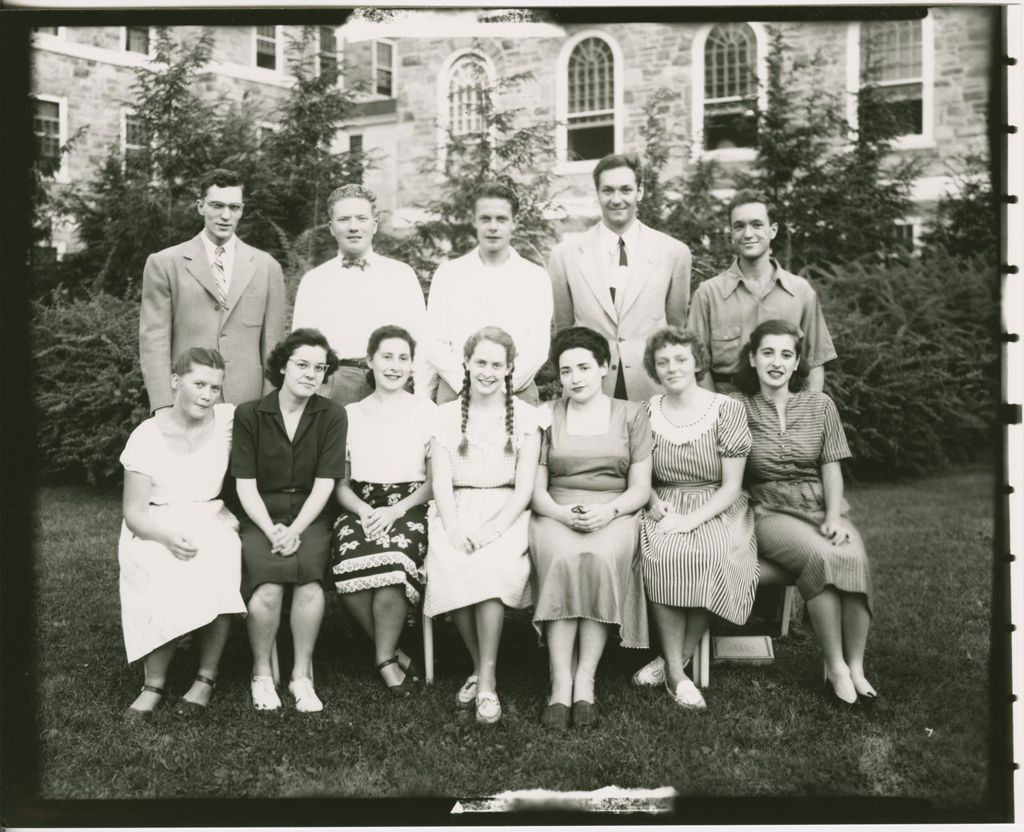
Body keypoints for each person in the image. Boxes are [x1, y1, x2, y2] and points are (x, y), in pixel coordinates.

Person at [734, 319, 877, 709]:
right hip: (769, 511)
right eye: (767, 353)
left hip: (819, 506)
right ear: (753, 358)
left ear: (797, 363)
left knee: (852, 554)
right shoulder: (737, 408)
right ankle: (835, 667)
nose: (776, 362)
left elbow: (831, 466)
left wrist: (832, 515)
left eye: (786, 354)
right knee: (822, 556)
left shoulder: (820, 404)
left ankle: (857, 666)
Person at [529, 326, 653, 730]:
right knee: (565, 555)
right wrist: (563, 516)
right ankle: (559, 681)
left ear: (604, 367)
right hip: (556, 510)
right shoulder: (547, 415)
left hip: (615, 510)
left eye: (584, 367)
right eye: (566, 371)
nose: (575, 378)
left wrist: (610, 512)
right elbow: (537, 490)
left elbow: (640, 488)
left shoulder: (633, 414)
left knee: (599, 555)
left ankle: (586, 680)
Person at [633, 327, 758, 710]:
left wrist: (691, 521)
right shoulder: (646, 412)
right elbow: (640, 474)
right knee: (664, 553)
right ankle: (677, 671)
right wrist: (652, 501)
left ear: (697, 362)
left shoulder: (726, 409)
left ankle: (672, 664)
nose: (672, 368)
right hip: (665, 499)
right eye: (663, 362)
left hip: (718, 502)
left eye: (681, 359)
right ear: (654, 370)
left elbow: (731, 486)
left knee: (714, 553)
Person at [118, 347, 245, 718]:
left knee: (222, 556)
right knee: (161, 566)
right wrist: (167, 538)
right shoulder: (145, 436)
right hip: (156, 523)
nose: (207, 395)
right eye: (199, 384)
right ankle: (153, 683)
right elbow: (134, 513)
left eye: (215, 388)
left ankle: (206, 677)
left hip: (210, 515)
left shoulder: (226, 421)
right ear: (175, 381)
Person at [423, 326, 541, 724]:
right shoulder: (442, 416)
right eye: (480, 363)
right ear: (467, 365)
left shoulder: (526, 417)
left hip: (507, 509)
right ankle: (479, 666)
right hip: (455, 506)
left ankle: (486, 680)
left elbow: (524, 487)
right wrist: (454, 528)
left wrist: (493, 529)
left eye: (497, 364)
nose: (487, 371)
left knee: (491, 566)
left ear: (510, 369)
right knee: (453, 560)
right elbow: (440, 480)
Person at [231, 328, 347, 712]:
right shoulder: (250, 414)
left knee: (310, 584)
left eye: (319, 367)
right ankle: (262, 673)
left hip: (311, 515)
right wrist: (271, 530)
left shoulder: (332, 415)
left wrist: (296, 530)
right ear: (282, 366)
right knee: (268, 588)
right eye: (302, 364)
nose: (311, 374)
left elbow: (326, 482)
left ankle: (301, 675)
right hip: (262, 514)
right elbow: (245, 486)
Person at [330, 325, 437, 696]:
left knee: (391, 565)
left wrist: (395, 511)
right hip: (360, 503)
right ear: (370, 361)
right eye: (386, 357)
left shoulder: (426, 411)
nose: (395, 366)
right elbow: (339, 485)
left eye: (403, 358)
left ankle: (384, 660)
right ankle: (392, 650)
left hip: (411, 503)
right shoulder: (349, 414)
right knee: (348, 569)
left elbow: (434, 482)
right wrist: (363, 510)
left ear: (411, 365)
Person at [548, 153, 691, 402]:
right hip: (590, 389)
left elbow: (675, 327)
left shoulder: (673, 252)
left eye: (626, 190)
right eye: (608, 190)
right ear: (598, 193)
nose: (617, 200)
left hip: (652, 387)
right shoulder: (565, 255)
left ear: (640, 191)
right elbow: (564, 329)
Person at [139, 168, 286, 412]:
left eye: (234, 207)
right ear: (200, 206)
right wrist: (163, 405)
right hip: (185, 404)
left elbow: (274, 347)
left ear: (242, 210)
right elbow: (154, 342)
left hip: (248, 407)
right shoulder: (165, 263)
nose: (225, 215)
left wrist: (270, 409)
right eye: (217, 205)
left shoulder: (267, 267)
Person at [291, 184, 428, 408]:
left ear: (374, 225)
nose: (353, 227)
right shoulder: (314, 281)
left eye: (361, 218)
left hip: (391, 383)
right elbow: (301, 350)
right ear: (331, 227)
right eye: (344, 219)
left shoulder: (401, 275)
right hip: (333, 386)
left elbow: (421, 344)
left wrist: (421, 398)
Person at [687, 190, 836, 394]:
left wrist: (803, 417)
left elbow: (816, 362)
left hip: (786, 409)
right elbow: (697, 367)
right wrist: (717, 415)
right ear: (731, 233)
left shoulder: (801, 292)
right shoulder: (708, 294)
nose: (748, 234)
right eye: (739, 226)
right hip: (727, 404)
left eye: (757, 225)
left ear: (773, 230)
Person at [423, 181, 552, 405]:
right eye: (485, 218)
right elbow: (435, 341)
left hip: (516, 394)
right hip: (457, 393)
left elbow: (538, 348)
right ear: (474, 220)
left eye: (501, 219)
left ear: (515, 222)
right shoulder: (448, 274)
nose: (493, 226)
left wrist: (500, 388)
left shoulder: (534, 277)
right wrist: (467, 386)